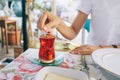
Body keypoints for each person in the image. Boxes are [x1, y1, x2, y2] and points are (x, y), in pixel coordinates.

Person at [37, 0, 120, 55]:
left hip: (115, 59)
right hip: (91, 57)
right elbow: (72, 32)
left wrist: (100, 50)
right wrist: (58, 23)